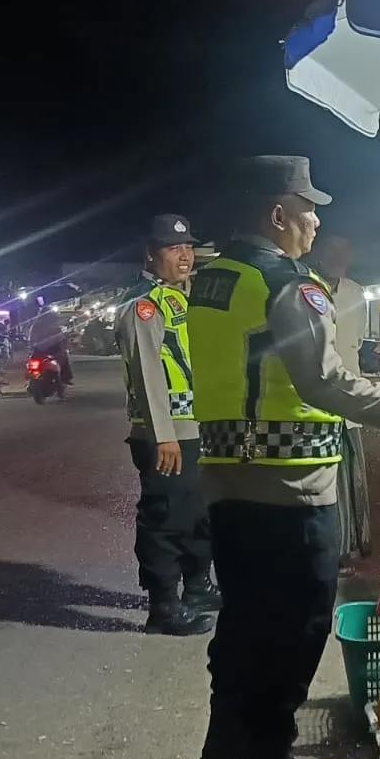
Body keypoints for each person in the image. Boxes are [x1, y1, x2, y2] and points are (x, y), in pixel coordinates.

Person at [186, 154, 380, 759]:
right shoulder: (288, 284)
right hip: (292, 486)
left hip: (225, 478)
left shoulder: (212, 279)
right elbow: (323, 381)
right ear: (278, 214)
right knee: (297, 626)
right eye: (309, 212)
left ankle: (226, 735)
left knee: (244, 615)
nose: (315, 224)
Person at [115, 214, 220, 637]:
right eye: (173, 248)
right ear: (150, 255)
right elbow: (147, 373)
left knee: (198, 513)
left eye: (188, 247)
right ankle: (163, 605)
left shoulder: (180, 297)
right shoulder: (143, 305)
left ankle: (198, 588)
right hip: (167, 434)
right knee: (166, 518)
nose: (184, 255)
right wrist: (164, 436)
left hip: (194, 429)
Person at [311, 234, 372, 567]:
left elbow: (356, 342)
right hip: (317, 401)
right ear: (319, 253)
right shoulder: (305, 288)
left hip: (351, 397)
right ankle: (328, 548)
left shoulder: (356, 292)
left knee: (351, 478)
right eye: (331, 251)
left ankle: (349, 546)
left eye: (343, 252)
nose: (337, 258)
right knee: (324, 478)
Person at [27, 299, 73, 384]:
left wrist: (31, 346)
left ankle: (31, 380)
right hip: (53, 349)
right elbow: (60, 337)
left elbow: (31, 338)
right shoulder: (53, 325)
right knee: (64, 357)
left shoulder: (35, 325)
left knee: (31, 362)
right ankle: (65, 378)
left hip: (39, 349)